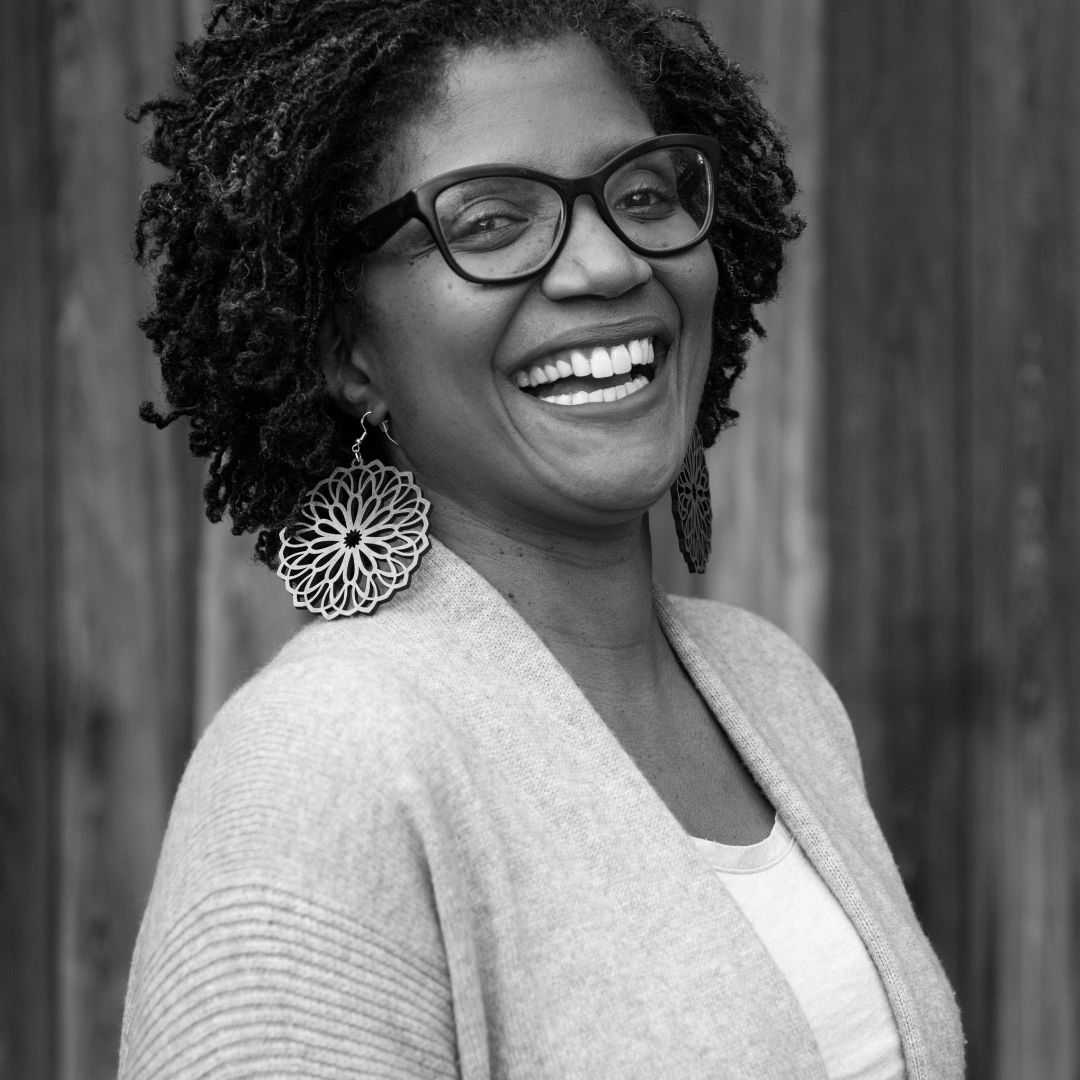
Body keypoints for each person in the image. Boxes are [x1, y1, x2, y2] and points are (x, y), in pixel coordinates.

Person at [119, 1, 964, 1077]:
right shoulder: (326, 762)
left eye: (645, 194)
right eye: (489, 222)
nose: (609, 265)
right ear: (346, 350)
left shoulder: (776, 693)